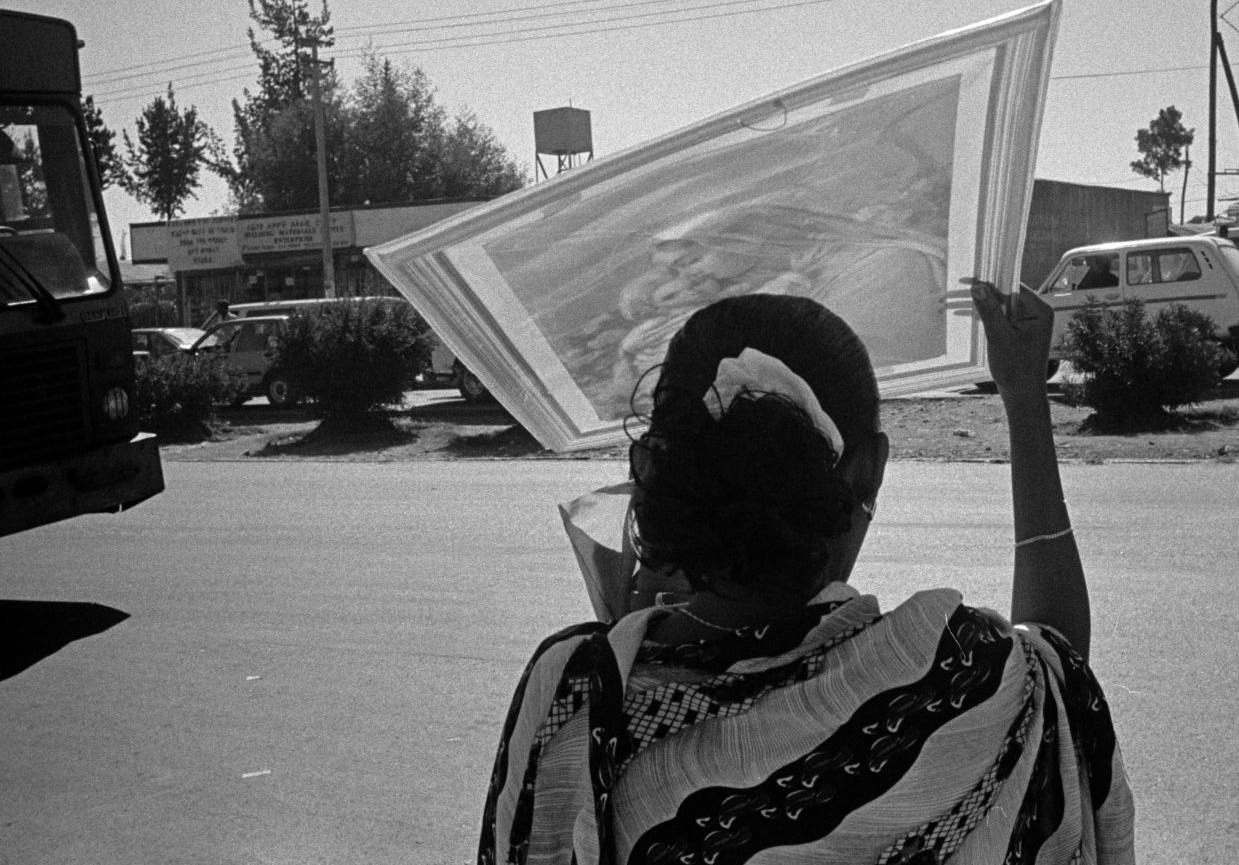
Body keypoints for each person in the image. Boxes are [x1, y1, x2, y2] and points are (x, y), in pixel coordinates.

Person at [479, 285, 1134, 864]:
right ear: (869, 471)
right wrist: (1023, 398)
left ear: (656, 467)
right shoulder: (965, 675)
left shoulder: (581, 694)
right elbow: (1059, 664)